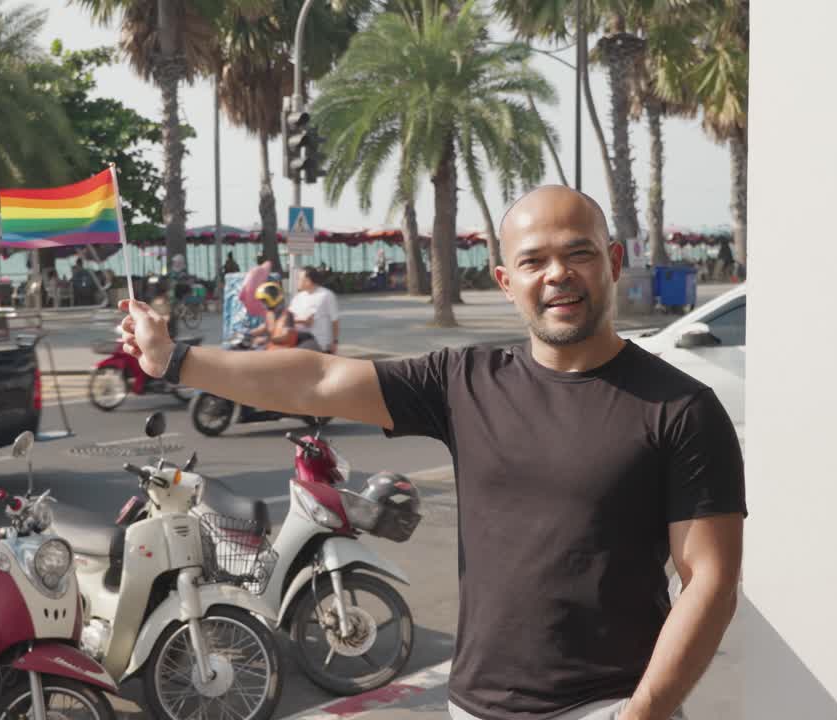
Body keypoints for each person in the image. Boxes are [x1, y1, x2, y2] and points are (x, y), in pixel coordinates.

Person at [116, 185, 745, 720]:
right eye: (534, 261)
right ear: (505, 281)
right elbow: (318, 380)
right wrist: (177, 360)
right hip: (473, 705)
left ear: (610, 261)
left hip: (608, 705)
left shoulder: (680, 408)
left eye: (578, 253)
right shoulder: (464, 382)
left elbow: (708, 579)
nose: (558, 274)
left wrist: (645, 713)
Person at [248, 281, 318, 351]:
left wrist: (266, 339)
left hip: (284, 353)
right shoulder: (270, 315)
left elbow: (285, 337)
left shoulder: (287, 315)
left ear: (273, 297)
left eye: (264, 301)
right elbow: (261, 329)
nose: (263, 304)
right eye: (262, 301)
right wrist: (245, 334)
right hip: (270, 350)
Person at [289, 265, 341, 354]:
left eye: (299, 279)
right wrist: (302, 321)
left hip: (322, 345)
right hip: (301, 344)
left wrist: (335, 341)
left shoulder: (326, 295)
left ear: (309, 281)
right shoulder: (298, 297)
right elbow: (288, 317)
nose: (297, 281)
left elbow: (335, 320)